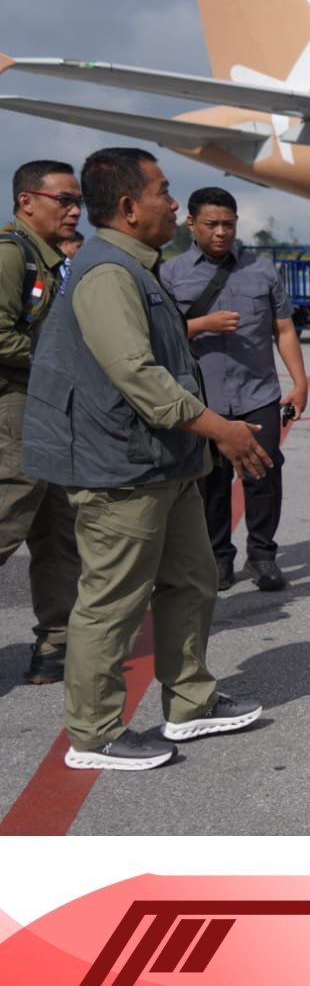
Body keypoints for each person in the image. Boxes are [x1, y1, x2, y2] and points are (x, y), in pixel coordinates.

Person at [22, 148, 269, 770]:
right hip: (123, 468)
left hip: (165, 461)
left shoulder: (136, 265)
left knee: (192, 579)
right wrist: (221, 430)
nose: (174, 204)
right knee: (113, 601)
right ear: (130, 207)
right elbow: (137, 376)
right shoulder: (108, 273)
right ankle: (94, 734)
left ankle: (190, 701)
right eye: (163, 190)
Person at [164, 187, 308, 592]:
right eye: (212, 224)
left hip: (257, 392)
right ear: (191, 223)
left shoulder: (262, 270)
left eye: (228, 224)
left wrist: (300, 383)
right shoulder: (170, 274)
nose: (221, 232)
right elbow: (159, 336)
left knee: (264, 473)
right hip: (202, 396)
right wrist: (202, 325)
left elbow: (284, 329)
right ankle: (218, 557)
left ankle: (262, 555)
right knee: (210, 481)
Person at [0, 161, 83, 684]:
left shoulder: (49, 260)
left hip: (46, 406)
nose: (75, 210)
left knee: (57, 531)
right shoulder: (11, 254)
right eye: (64, 200)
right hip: (17, 405)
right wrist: (59, 362)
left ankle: (56, 643)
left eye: (78, 201)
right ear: (27, 201)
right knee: (6, 518)